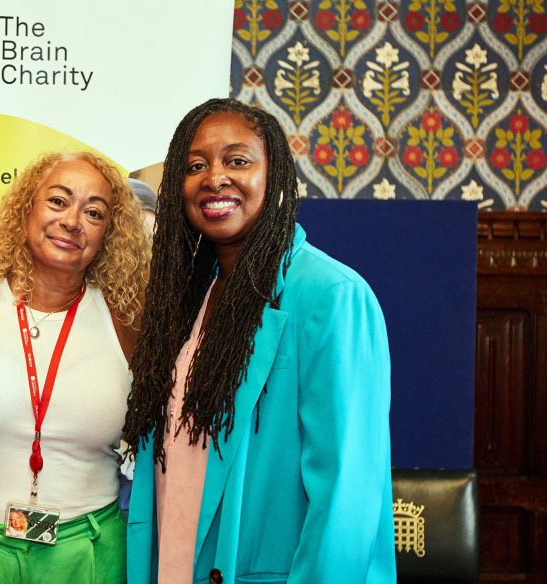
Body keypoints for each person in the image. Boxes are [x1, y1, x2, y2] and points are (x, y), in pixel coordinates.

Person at [124, 98, 396, 584]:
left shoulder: (330, 295)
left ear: (276, 178)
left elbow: (347, 493)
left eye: (238, 161)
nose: (214, 178)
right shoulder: (187, 297)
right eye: (195, 166)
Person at [0, 151, 151, 584]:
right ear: (26, 208)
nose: (72, 221)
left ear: (109, 232)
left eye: (94, 212)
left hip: (89, 553)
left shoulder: (128, 317)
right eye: (58, 201)